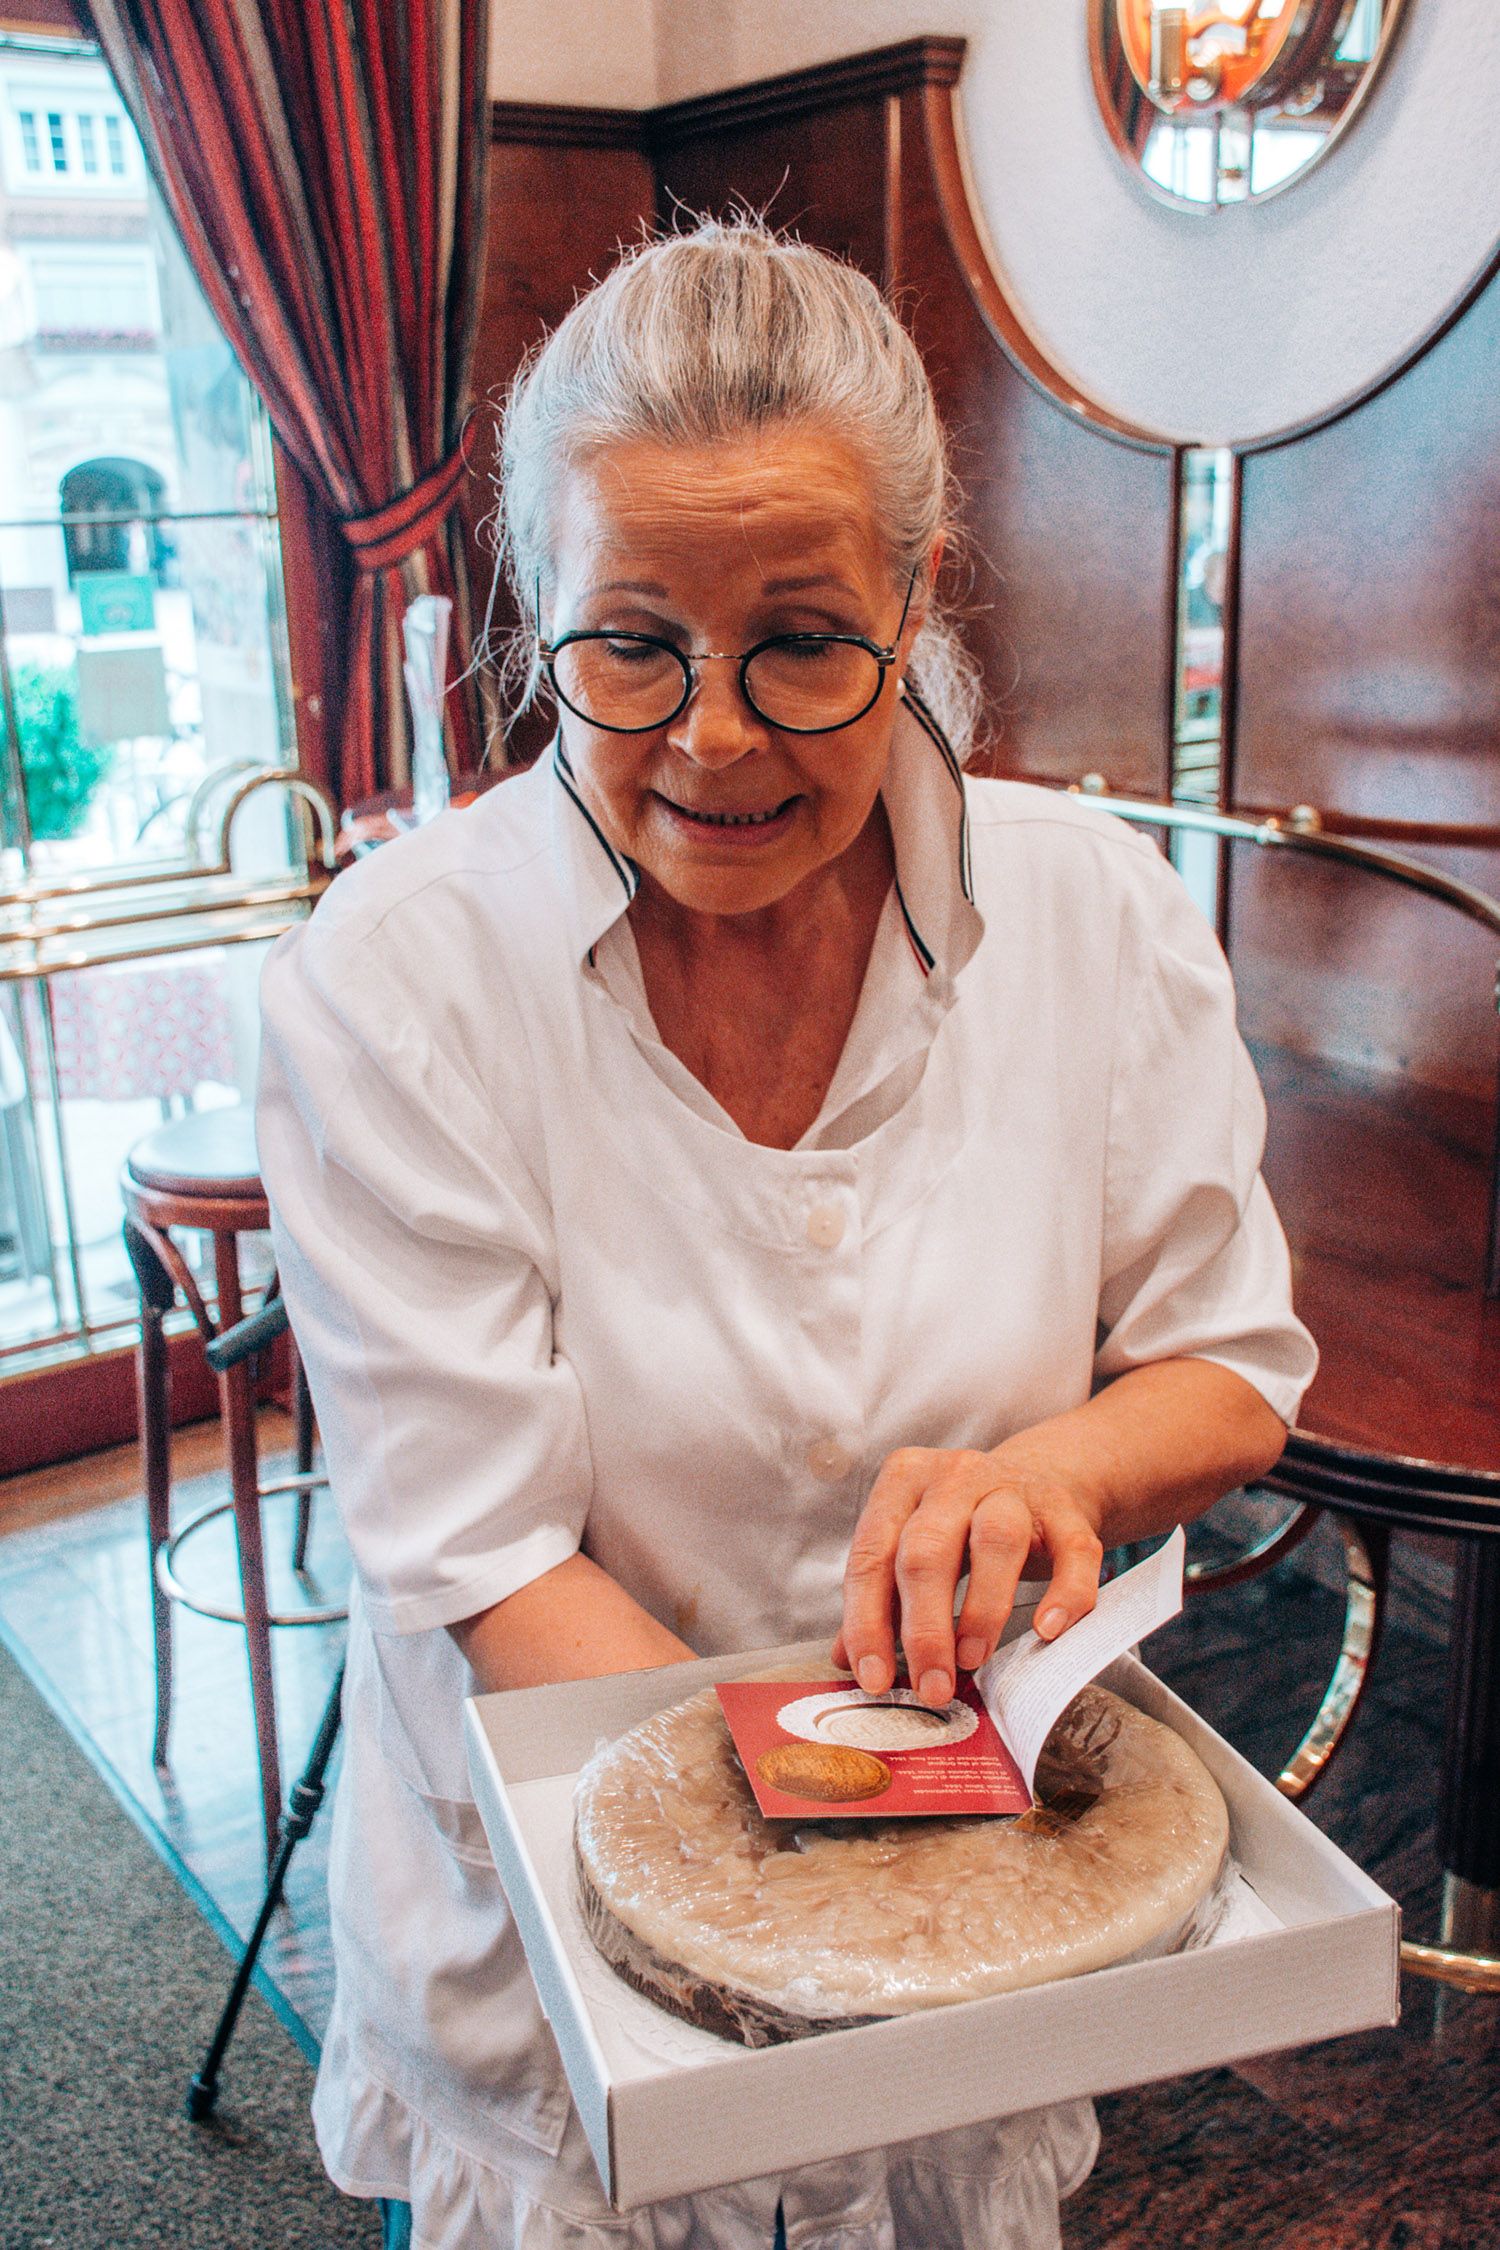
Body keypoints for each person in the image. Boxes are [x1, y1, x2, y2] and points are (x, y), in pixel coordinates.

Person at [257, 218, 1316, 2250]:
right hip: (584, 1985)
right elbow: (482, 1556)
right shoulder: (398, 987)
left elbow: (1227, 1370)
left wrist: (1044, 1474)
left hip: (961, 1960)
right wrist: (851, 1880)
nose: (715, 738)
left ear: (919, 594)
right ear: (530, 610)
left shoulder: (1089, 913)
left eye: (806, 642)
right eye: (631, 644)